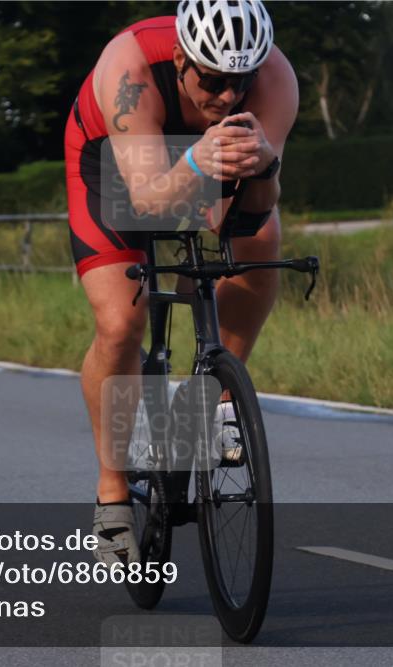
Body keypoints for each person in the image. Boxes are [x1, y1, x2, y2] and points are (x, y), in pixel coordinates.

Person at [64, 0, 299, 566]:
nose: (227, 96)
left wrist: (265, 166)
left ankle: (216, 401)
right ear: (180, 60)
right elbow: (147, 201)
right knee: (122, 322)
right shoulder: (130, 68)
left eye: (239, 83)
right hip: (114, 164)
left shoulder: (275, 78)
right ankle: (112, 488)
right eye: (213, 81)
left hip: (202, 160)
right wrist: (196, 160)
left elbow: (256, 209)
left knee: (260, 239)